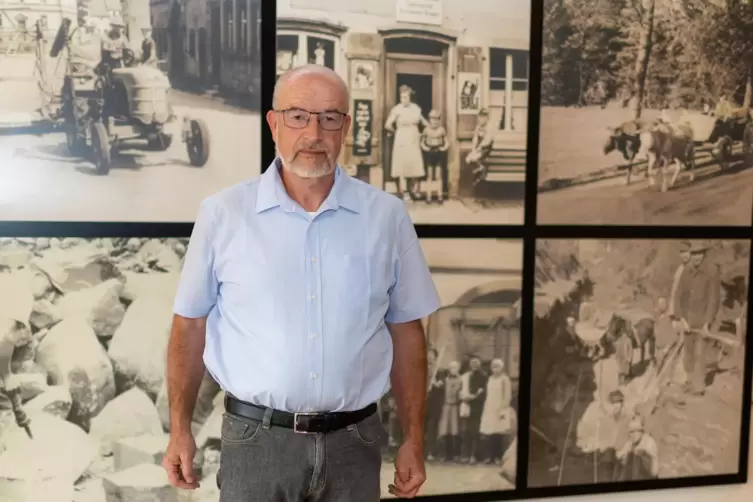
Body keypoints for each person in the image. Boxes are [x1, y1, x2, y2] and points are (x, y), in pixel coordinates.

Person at [161, 63, 440, 501]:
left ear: (345, 127)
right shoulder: (223, 214)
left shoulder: (387, 217)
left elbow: (407, 333)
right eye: (297, 116)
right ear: (274, 123)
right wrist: (180, 430)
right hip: (256, 444)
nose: (314, 132)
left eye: (330, 118)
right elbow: (188, 327)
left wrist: (414, 440)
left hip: (355, 444)